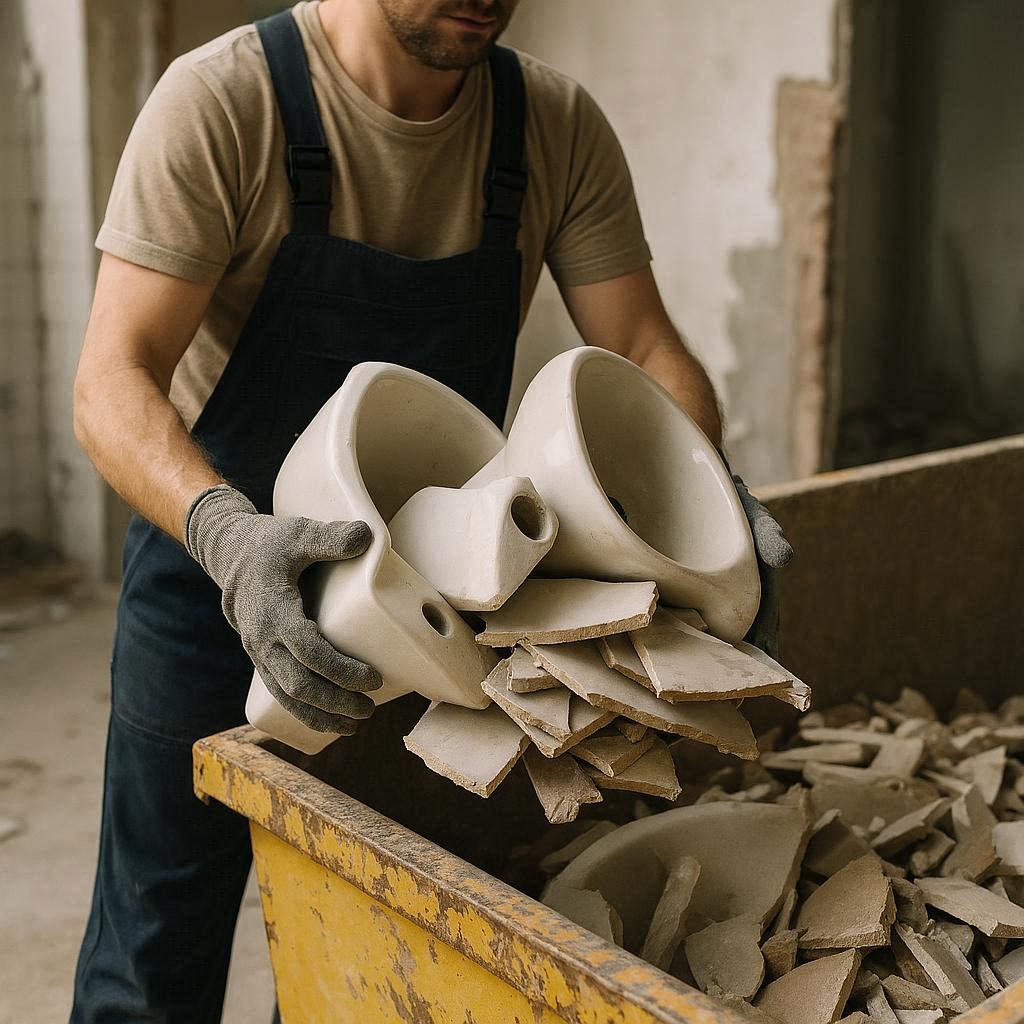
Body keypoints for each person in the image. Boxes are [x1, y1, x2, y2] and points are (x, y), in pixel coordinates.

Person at [70, 1, 791, 1019]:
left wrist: (707, 497)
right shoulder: (225, 102)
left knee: (354, 948)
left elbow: (640, 346)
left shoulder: (551, 125)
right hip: (214, 577)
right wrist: (228, 538)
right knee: (151, 956)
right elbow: (110, 381)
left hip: (422, 609)